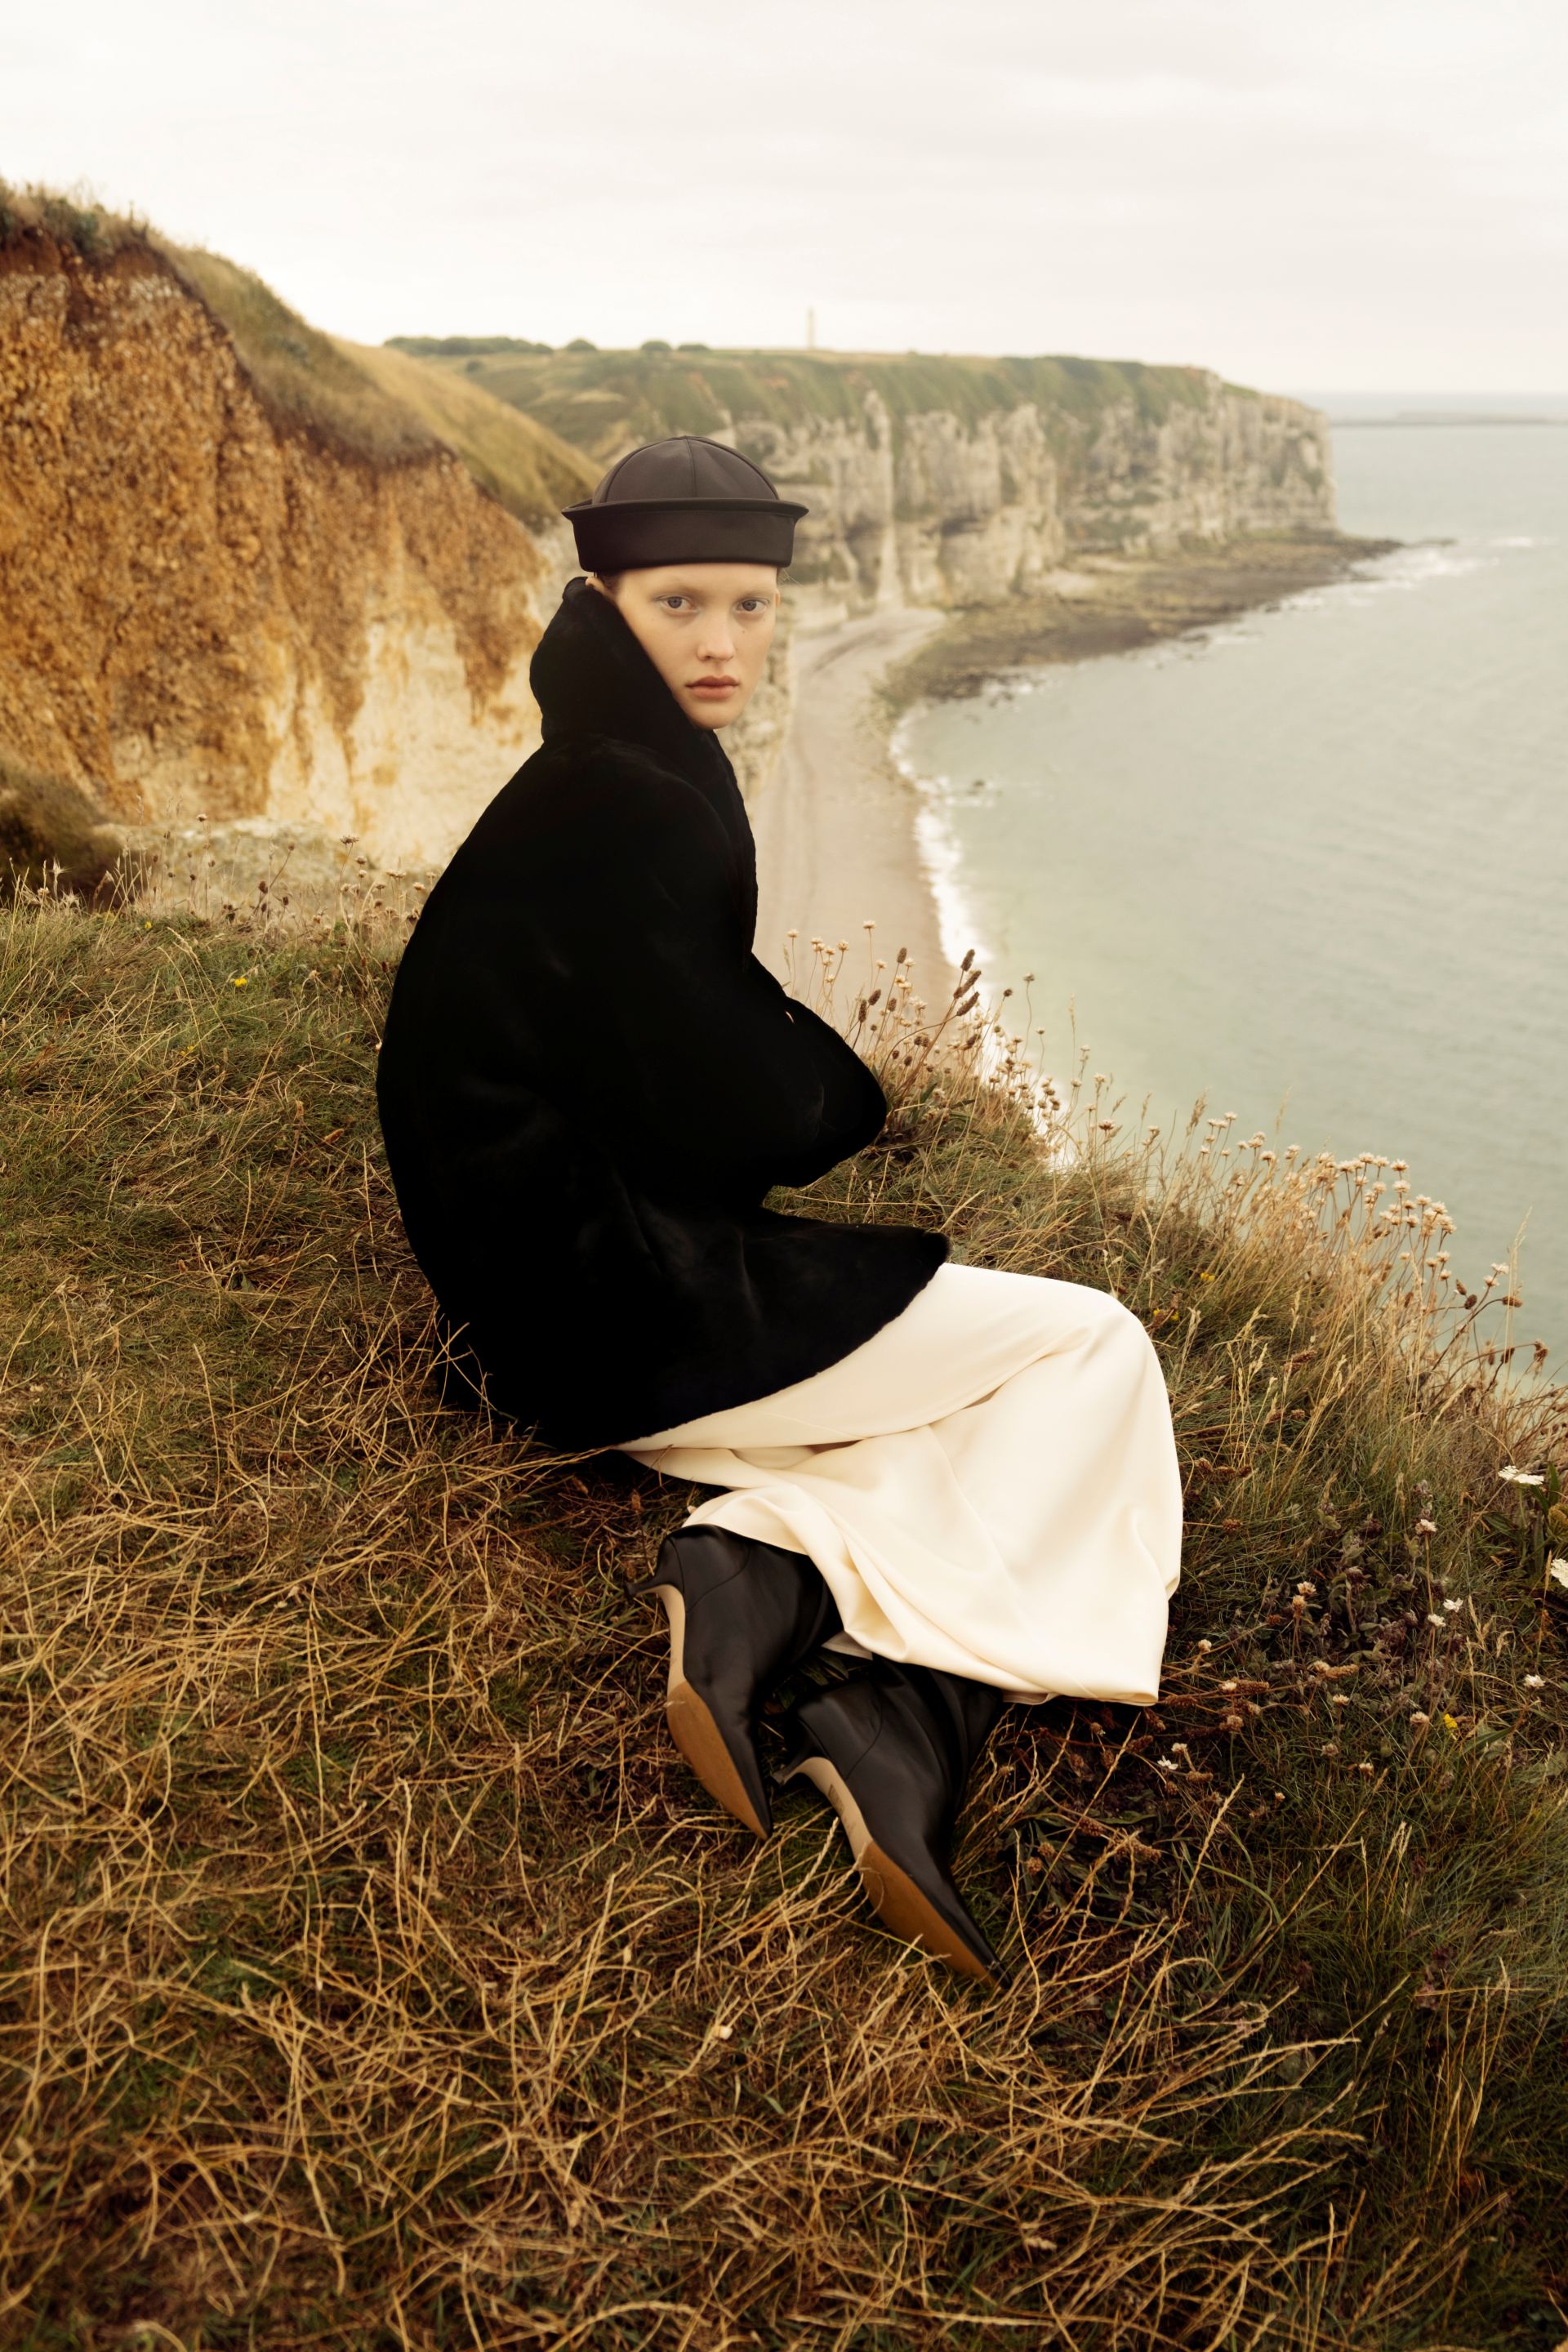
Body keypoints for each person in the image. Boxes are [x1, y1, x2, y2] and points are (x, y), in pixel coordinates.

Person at [376, 436, 1183, 1986]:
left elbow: (634, 1043)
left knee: (945, 1413)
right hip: (607, 1304)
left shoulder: (593, 768)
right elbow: (737, 1097)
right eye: (679, 603)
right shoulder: (632, 799)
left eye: (749, 606)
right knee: (1093, 1355)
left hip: (530, 1292)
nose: (723, 642)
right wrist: (850, 1095)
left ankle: (771, 1580)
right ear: (604, 600)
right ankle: (888, 1693)